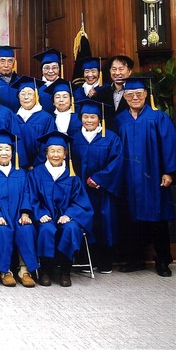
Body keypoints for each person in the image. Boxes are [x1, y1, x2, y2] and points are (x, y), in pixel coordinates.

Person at [113, 77, 176, 277]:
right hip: (128, 179)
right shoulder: (120, 120)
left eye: (139, 94)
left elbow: (169, 145)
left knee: (157, 220)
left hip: (153, 177)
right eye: (130, 95)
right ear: (125, 97)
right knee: (130, 220)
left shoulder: (158, 117)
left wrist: (168, 171)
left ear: (146, 94)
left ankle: (162, 260)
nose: (135, 97)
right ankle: (135, 259)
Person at [25, 132, 93, 287]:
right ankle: (45, 271)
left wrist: (69, 215)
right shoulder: (36, 173)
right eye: (52, 151)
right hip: (45, 216)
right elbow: (31, 197)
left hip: (65, 217)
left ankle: (65, 271)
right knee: (46, 229)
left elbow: (80, 201)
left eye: (59, 151)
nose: (55, 155)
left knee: (71, 228)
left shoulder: (72, 175)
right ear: (46, 153)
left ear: (65, 154)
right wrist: (40, 213)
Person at [0, 129, 38, 287]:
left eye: (7, 149)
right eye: (0, 149)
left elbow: (27, 193)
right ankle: (5, 271)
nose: (4, 153)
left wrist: (25, 213)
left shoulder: (20, 173)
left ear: (13, 152)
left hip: (18, 216)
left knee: (26, 229)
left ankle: (24, 270)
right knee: (2, 231)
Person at [70, 99, 123, 273]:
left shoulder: (111, 137)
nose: (89, 120)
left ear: (99, 119)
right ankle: (87, 259)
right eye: (85, 116)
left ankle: (105, 261)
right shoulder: (75, 138)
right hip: (81, 190)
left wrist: (99, 179)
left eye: (93, 117)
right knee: (85, 221)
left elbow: (117, 161)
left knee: (105, 222)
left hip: (103, 190)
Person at [11, 75, 54, 169]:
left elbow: (47, 144)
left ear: (37, 96)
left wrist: (37, 165)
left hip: (39, 167)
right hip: (17, 167)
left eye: (30, 93)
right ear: (18, 96)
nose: (26, 97)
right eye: (22, 94)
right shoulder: (13, 118)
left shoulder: (46, 118)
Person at [94, 54, 134, 130]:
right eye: (114, 69)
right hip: (108, 133)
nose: (117, 73)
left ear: (129, 71)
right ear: (110, 71)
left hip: (129, 132)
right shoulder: (102, 93)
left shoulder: (137, 93)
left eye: (121, 69)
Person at [32, 48, 67, 114]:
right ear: (42, 70)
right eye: (47, 68)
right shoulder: (35, 88)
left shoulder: (68, 87)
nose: (51, 71)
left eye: (54, 68)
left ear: (59, 69)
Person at [0, 45, 21, 110]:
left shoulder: (20, 82)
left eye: (10, 61)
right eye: (2, 61)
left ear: (14, 63)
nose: (6, 65)